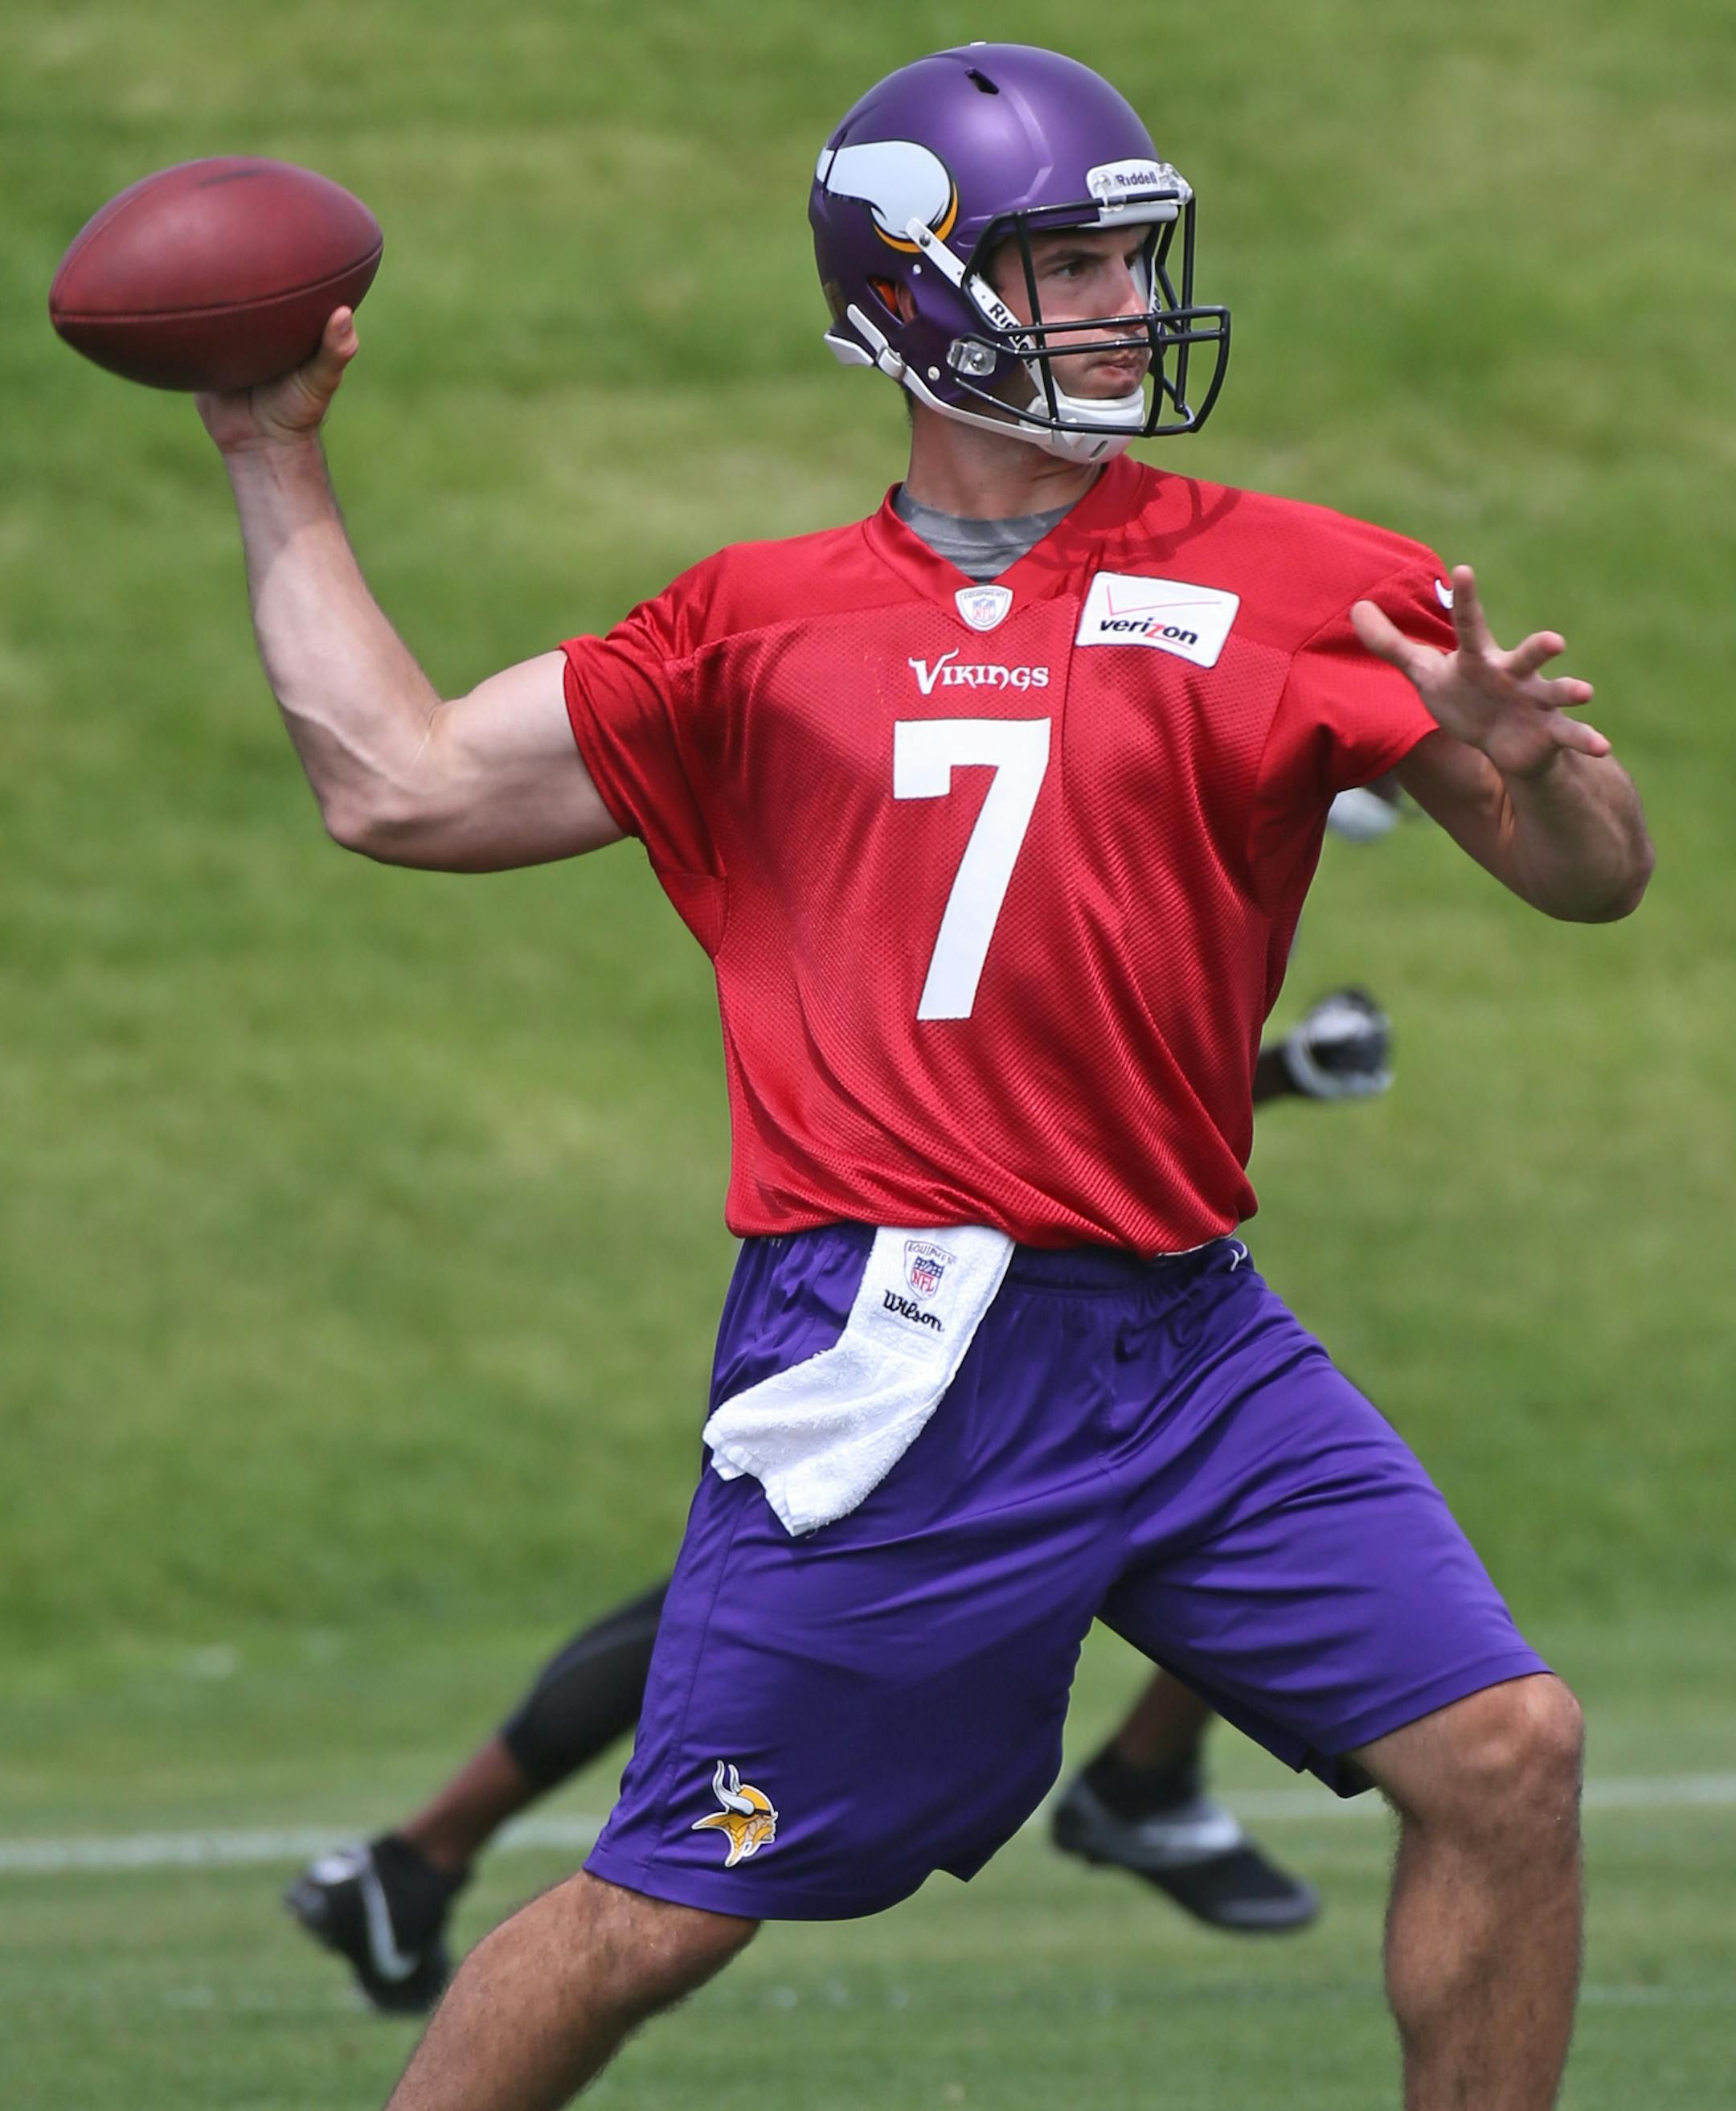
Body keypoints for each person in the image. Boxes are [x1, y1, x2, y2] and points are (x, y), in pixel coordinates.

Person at [194, 43, 1651, 2110]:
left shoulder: (1312, 576)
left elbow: (1599, 887)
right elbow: (398, 782)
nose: (1126, 311)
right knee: (664, 1907)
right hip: (905, 1333)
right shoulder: (756, 627)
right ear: (918, 293)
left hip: (1188, 1327)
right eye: (1066, 269)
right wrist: (272, 451)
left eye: (1130, 264)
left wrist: (1542, 776)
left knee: (1509, 1751)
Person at [285, 982, 1394, 2011]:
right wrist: (1289, 1064)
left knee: (1245, 1492)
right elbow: (1024, 1088)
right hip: (928, 1283)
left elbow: (1070, 1079)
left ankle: (415, 1858)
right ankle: (1141, 1783)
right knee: (758, 1628)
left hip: (960, 1270)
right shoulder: (964, 818)